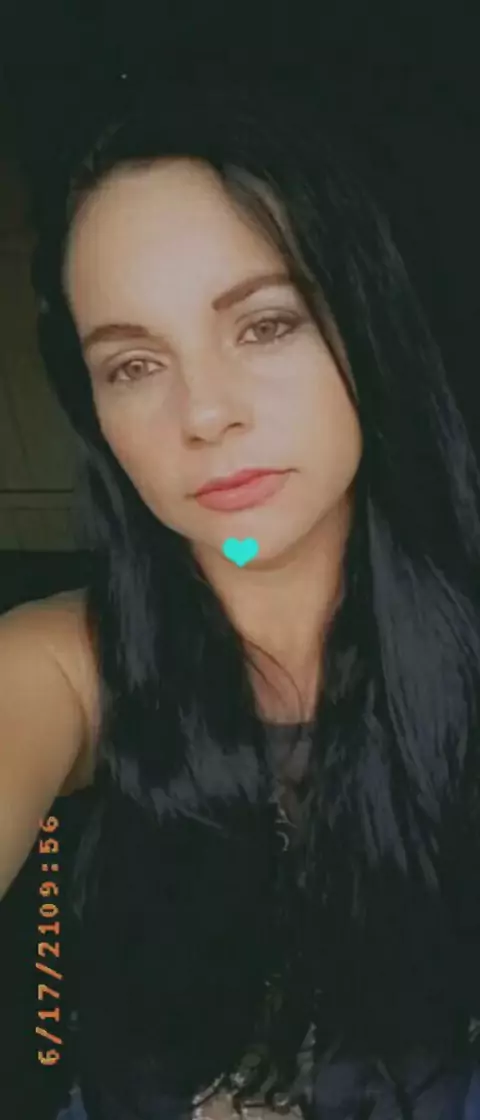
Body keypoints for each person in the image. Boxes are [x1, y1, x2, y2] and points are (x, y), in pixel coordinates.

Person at [2, 75, 480, 1120]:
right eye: (134, 363)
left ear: (366, 322)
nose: (204, 412)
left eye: (265, 325)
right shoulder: (60, 663)